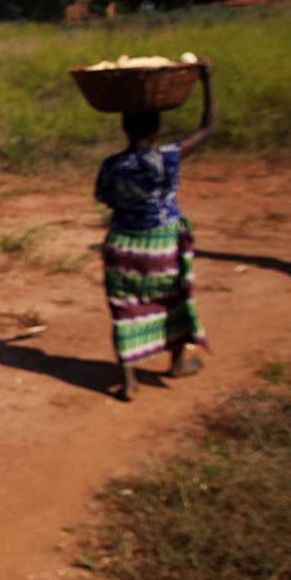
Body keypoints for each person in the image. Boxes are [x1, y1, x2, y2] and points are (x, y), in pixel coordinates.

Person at [93, 62, 215, 402]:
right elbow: (209, 127)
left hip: (123, 244)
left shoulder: (113, 164)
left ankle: (129, 379)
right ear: (158, 127)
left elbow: (104, 198)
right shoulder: (168, 157)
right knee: (172, 298)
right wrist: (207, 82)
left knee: (125, 305)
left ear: (124, 127)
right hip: (162, 242)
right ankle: (176, 361)